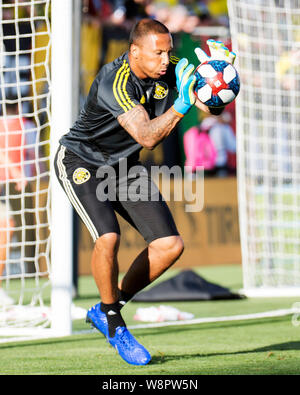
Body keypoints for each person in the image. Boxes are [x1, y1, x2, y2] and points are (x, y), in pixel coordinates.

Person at [54, 18, 236, 366]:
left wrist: (218, 76)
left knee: (170, 246)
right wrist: (181, 104)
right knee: (108, 237)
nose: (166, 60)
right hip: (83, 161)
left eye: (168, 51)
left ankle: (109, 306)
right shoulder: (115, 81)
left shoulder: (168, 70)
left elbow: (210, 106)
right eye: (158, 53)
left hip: (124, 166)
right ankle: (114, 321)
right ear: (134, 51)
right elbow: (149, 136)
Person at [0, 103, 28, 306]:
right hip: (5, 182)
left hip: (4, 185)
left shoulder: (22, 125)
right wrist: (15, 171)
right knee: (7, 226)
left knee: (7, 227)